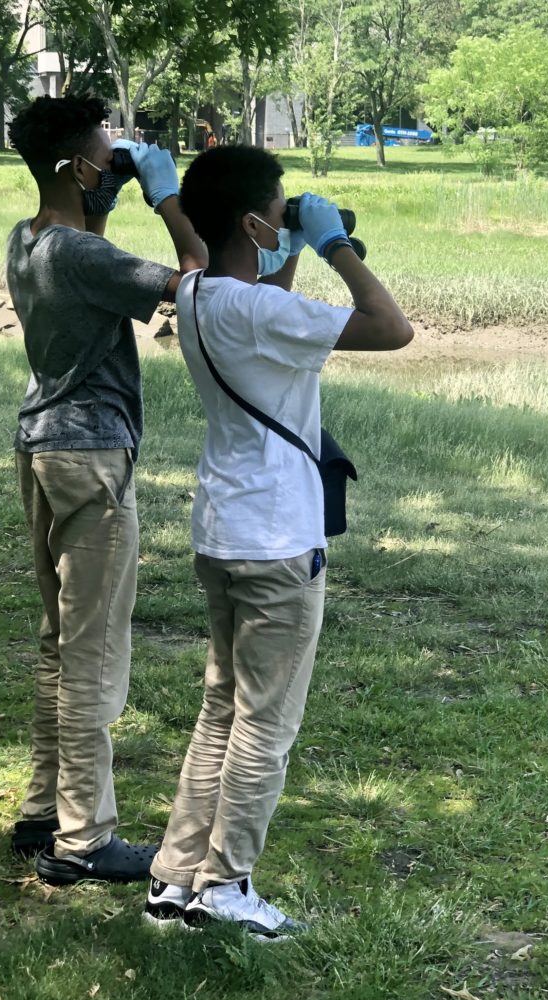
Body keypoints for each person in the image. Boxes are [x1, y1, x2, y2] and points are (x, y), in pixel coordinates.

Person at [143, 145, 412, 939]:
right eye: (280, 210)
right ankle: (227, 886)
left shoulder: (196, 294)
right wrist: (333, 245)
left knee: (220, 710)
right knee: (265, 722)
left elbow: (267, 318)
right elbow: (390, 329)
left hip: (223, 529)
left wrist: (282, 249)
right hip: (279, 541)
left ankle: (174, 878)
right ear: (253, 221)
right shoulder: (259, 313)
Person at [6, 94, 207, 885]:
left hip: (42, 449)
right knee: (94, 652)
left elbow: (82, 238)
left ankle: (41, 812)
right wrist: (165, 196)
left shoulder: (29, 242)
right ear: (72, 167)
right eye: (103, 156)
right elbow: (196, 281)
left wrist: (109, 185)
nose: (110, 165)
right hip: (92, 457)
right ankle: (84, 838)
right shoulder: (85, 257)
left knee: (61, 642)